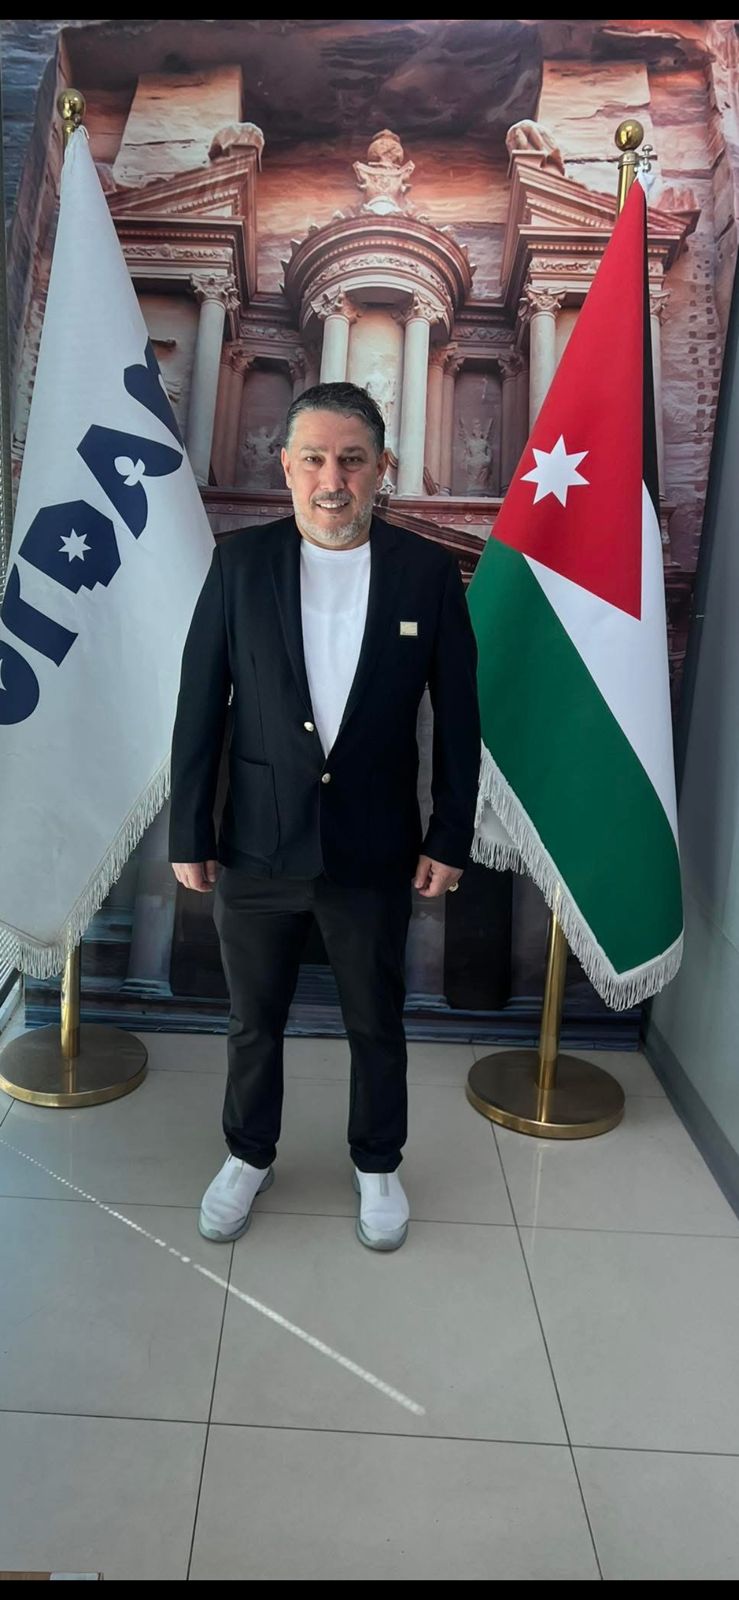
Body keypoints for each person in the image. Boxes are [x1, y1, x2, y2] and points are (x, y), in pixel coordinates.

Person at [169, 381, 481, 1252]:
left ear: (383, 468)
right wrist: (189, 828)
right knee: (252, 1020)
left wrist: (449, 832)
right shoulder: (239, 565)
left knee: (375, 1021)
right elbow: (199, 706)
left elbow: (460, 718)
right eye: (313, 459)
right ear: (286, 467)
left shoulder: (426, 572)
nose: (331, 480)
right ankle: (247, 1154)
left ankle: (377, 1163)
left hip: (375, 847)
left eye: (351, 459)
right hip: (256, 844)